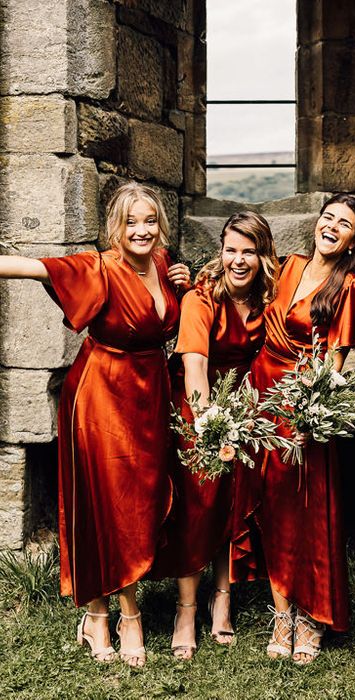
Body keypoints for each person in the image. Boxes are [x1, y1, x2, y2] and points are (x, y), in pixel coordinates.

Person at [0, 182, 191, 666]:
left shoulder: (166, 264)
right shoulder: (99, 267)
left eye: (149, 220)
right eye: (131, 222)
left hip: (148, 395)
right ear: (116, 227)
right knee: (110, 505)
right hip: (100, 394)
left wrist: (185, 286)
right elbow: (31, 268)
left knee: (138, 503)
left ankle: (94, 613)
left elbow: (170, 315)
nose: (142, 230)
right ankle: (123, 616)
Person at [230, 193, 355, 664]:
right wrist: (193, 275)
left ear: (353, 240)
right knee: (270, 504)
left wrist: (311, 413)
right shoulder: (288, 267)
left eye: (343, 224)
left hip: (301, 401)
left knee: (306, 507)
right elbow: (238, 279)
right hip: (261, 393)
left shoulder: (347, 287)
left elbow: (336, 359)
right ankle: (282, 611)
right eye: (327, 217)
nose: (331, 226)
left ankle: (311, 614)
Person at [151, 211, 278, 659]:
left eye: (249, 251)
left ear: (264, 256)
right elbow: (195, 366)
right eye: (231, 249)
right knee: (197, 506)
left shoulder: (268, 301)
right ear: (220, 251)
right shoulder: (201, 298)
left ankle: (220, 598)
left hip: (243, 404)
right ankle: (186, 609)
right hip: (197, 404)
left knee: (232, 502)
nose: (239, 260)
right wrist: (211, 428)